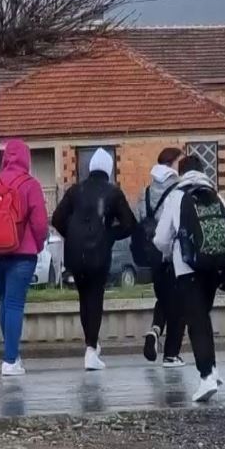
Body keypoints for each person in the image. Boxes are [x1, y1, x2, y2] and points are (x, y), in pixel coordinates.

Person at [52, 148, 136, 371]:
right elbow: (129, 224)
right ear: (108, 169)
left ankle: (91, 344)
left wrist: (71, 234)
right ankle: (91, 349)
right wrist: (109, 235)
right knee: (95, 297)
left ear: (90, 169)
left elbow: (57, 218)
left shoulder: (75, 191)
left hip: (75, 253)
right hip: (99, 252)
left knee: (84, 297)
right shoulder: (113, 193)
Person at [154, 156, 225, 402]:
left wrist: (167, 254)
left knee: (196, 322)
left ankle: (206, 376)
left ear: (181, 172)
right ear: (203, 171)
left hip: (187, 267)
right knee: (203, 317)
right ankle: (213, 370)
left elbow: (162, 237)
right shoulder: (214, 193)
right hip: (214, 266)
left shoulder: (177, 195)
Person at [0, 139, 49, 377]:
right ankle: (9, 360)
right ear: (26, 158)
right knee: (14, 304)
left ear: (5, 157)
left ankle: (12, 357)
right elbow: (40, 224)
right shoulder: (31, 185)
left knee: (5, 302)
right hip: (22, 254)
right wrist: (36, 246)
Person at [135, 147, 184, 366]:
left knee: (163, 297)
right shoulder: (178, 190)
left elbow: (140, 218)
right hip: (173, 251)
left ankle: (155, 331)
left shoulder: (145, 192)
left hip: (152, 253)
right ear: (172, 164)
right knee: (179, 300)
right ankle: (172, 354)